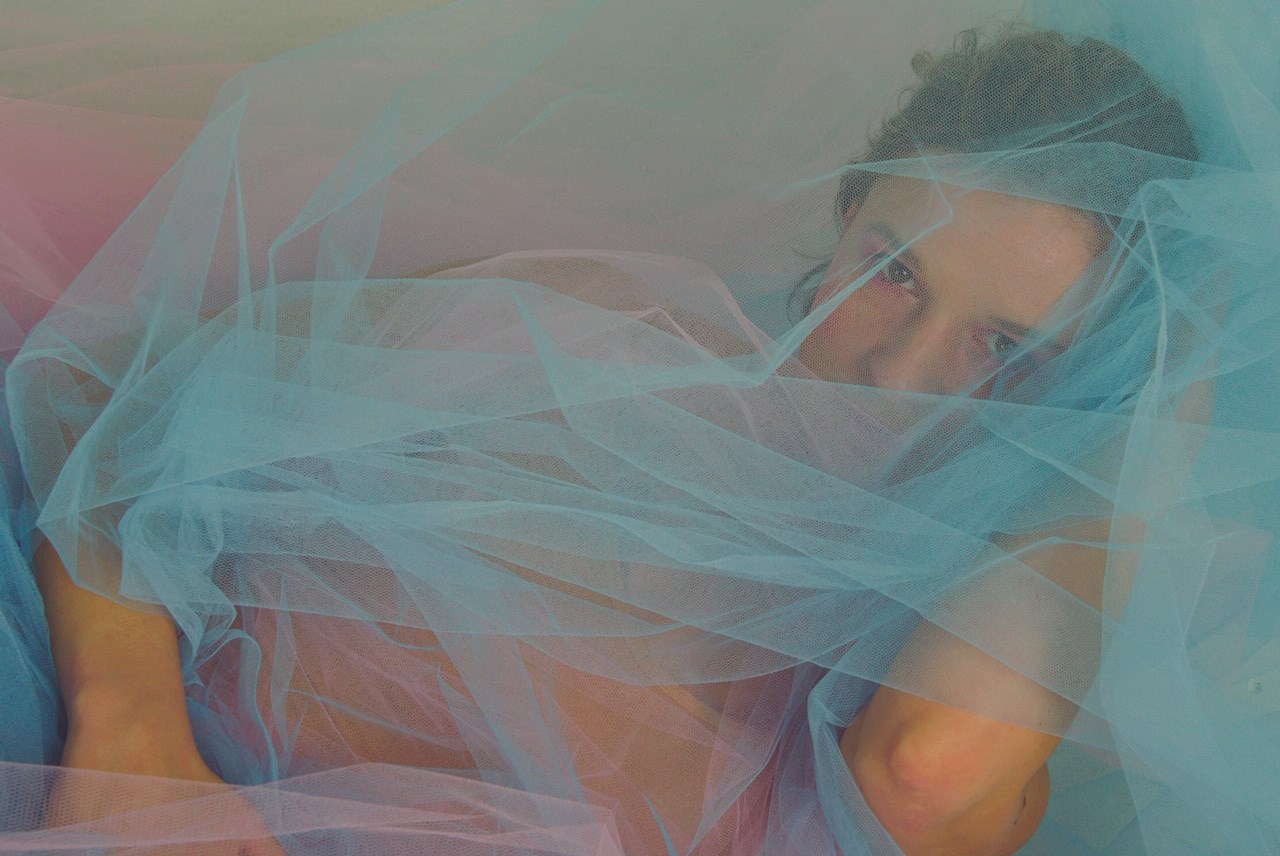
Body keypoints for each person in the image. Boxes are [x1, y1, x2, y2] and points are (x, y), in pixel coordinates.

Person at [2, 1, 1277, 853]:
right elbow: (115, 409)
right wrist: (128, 735)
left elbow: (922, 772)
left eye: (1005, 346)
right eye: (893, 268)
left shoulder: (965, 656)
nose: (901, 373)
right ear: (841, 215)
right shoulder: (586, 326)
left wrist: (1159, 407)